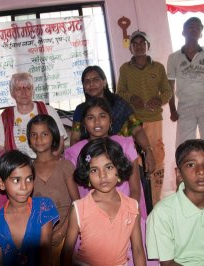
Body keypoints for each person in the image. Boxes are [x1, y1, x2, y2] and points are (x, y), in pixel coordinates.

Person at [64, 97, 153, 266]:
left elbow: (135, 188)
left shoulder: (125, 144)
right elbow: (75, 196)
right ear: (84, 123)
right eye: (90, 117)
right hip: (91, 220)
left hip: (126, 215)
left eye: (102, 116)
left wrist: (124, 215)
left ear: (111, 120)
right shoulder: (74, 152)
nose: (97, 122)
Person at [61, 138, 146, 265]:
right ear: (87, 174)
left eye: (109, 167)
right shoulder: (79, 209)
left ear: (119, 168)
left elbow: (138, 250)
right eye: (94, 170)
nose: (103, 176)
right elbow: (66, 254)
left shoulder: (132, 207)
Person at [117, 30, 172, 205]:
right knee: (135, 159)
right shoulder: (125, 69)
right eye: (135, 43)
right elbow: (120, 92)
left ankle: (156, 201)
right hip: (133, 121)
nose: (139, 46)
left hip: (154, 119)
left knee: (156, 156)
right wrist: (131, 98)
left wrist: (160, 99)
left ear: (148, 46)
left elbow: (168, 91)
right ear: (130, 48)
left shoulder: (158, 67)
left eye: (142, 43)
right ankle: (139, 200)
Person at [71, 65, 156, 173]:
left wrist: (148, 150)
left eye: (95, 79)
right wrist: (77, 160)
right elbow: (75, 138)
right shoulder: (80, 110)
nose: (91, 84)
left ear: (104, 82)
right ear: (83, 86)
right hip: (92, 161)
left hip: (120, 158)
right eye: (87, 81)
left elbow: (137, 129)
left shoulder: (119, 105)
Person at [167, 17, 204, 161]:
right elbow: (169, 85)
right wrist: (172, 109)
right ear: (183, 32)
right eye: (190, 27)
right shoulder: (174, 57)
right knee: (183, 145)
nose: (194, 30)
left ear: (201, 33)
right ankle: (184, 183)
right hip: (185, 104)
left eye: (197, 28)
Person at [27, 114, 80, 266]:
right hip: (37, 238)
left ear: (54, 136)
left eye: (44, 134)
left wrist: (62, 231)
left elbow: (76, 203)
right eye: (34, 135)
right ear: (29, 140)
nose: (39, 139)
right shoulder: (26, 169)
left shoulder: (64, 166)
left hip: (67, 234)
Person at [0, 150, 59, 266]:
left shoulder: (43, 208)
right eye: (16, 180)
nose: (24, 187)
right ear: (1, 183)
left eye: (29, 179)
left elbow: (46, 257)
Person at [0, 72, 67, 158]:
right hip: (17, 168)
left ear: (33, 91)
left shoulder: (48, 111)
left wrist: (49, 164)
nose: (24, 92)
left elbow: (60, 142)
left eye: (28, 88)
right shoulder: (4, 117)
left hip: (47, 163)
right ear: (12, 93)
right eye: (18, 89)